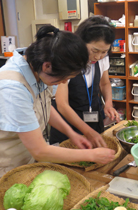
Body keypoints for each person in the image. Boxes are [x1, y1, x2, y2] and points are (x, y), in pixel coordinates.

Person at [0, 25, 115, 188]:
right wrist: (91, 154)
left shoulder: (38, 68)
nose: (64, 83)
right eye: (63, 79)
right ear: (47, 66)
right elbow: (40, 151)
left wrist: (72, 133)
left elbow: (45, 106)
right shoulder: (12, 88)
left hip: (24, 156)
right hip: (3, 163)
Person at [49, 15, 120, 146]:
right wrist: (86, 131)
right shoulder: (67, 58)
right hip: (68, 126)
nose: (98, 56)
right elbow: (62, 104)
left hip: (93, 121)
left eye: (104, 51)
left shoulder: (102, 59)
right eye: (95, 50)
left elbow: (104, 83)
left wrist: (108, 104)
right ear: (81, 42)